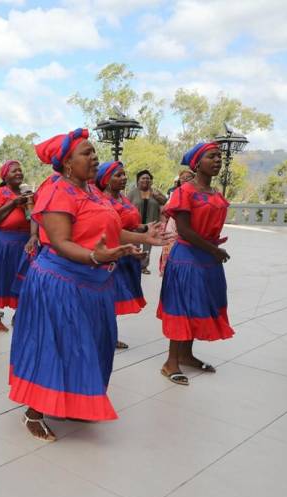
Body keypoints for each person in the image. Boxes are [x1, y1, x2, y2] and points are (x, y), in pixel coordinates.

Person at [9, 129, 169, 441]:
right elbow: (60, 241)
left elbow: (111, 229)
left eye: (94, 152)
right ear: (67, 163)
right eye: (87, 153)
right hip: (59, 285)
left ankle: (71, 401)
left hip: (93, 285)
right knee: (53, 346)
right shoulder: (57, 193)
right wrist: (95, 256)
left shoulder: (93, 192)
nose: (94, 157)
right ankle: (33, 411)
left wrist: (142, 237)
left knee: (88, 346)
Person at [158, 142, 234, 386]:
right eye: (212, 156)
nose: (217, 161)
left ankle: (186, 355)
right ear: (197, 162)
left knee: (198, 305)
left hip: (207, 257)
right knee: (182, 307)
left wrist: (212, 251)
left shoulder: (216, 194)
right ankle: (171, 362)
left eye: (219, 157)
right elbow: (184, 230)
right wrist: (215, 250)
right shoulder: (185, 191)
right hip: (188, 257)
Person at [95, 161, 147, 350]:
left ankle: (110, 335)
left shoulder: (123, 199)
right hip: (112, 254)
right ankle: (102, 336)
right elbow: (111, 230)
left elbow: (132, 224)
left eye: (124, 174)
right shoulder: (102, 201)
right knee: (107, 299)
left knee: (115, 299)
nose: (124, 178)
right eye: (118, 175)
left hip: (128, 254)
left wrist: (147, 228)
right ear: (106, 180)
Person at [0, 160, 36, 331]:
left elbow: (35, 217)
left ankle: (19, 315)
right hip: (2, 243)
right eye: (14, 171)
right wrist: (13, 203)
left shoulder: (28, 194)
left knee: (22, 278)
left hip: (24, 243)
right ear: (5, 176)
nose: (19, 173)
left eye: (20, 170)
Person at [127, 169, 167, 274]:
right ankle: (134, 265)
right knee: (135, 244)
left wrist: (157, 196)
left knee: (147, 246)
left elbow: (166, 203)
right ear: (138, 181)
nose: (146, 180)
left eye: (148, 178)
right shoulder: (132, 193)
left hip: (151, 224)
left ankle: (144, 266)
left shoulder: (155, 192)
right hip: (136, 225)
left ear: (151, 181)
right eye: (143, 178)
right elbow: (125, 206)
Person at [159, 169, 195, 277]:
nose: (185, 180)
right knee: (170, 250)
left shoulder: (197, 193)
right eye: (182, 178)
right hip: (173, 224)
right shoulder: (176, 192)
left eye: (188, 177)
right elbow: (165, 210)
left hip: (189, 226)